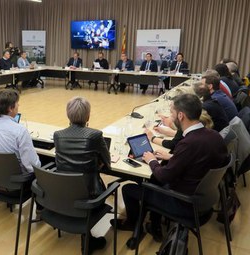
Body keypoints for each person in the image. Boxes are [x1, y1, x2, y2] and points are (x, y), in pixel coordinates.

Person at [115, 94, 228, 247]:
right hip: (205, 199)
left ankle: (134, 226)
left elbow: (164, 177)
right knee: (153, 179)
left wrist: (152, 160)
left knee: (130, 189)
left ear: (181, 116)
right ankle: (154, 225)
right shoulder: (214, 136)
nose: (171, 117)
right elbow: (197, 160)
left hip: (185, 203)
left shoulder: (188, 143)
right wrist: (172, 157)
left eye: (172, 113)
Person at [53, 96, 111, 253]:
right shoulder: (95, 135)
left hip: (63, 193)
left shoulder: (58, 135)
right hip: (91, 196)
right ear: (88, 116)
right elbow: (108, 163)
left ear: (68, 114)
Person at [0, 89, 40, 173]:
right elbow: (32, 167)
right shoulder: (20, 131)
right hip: (16, 179)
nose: (19, 105)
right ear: (11, 108)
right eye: (17, 103)